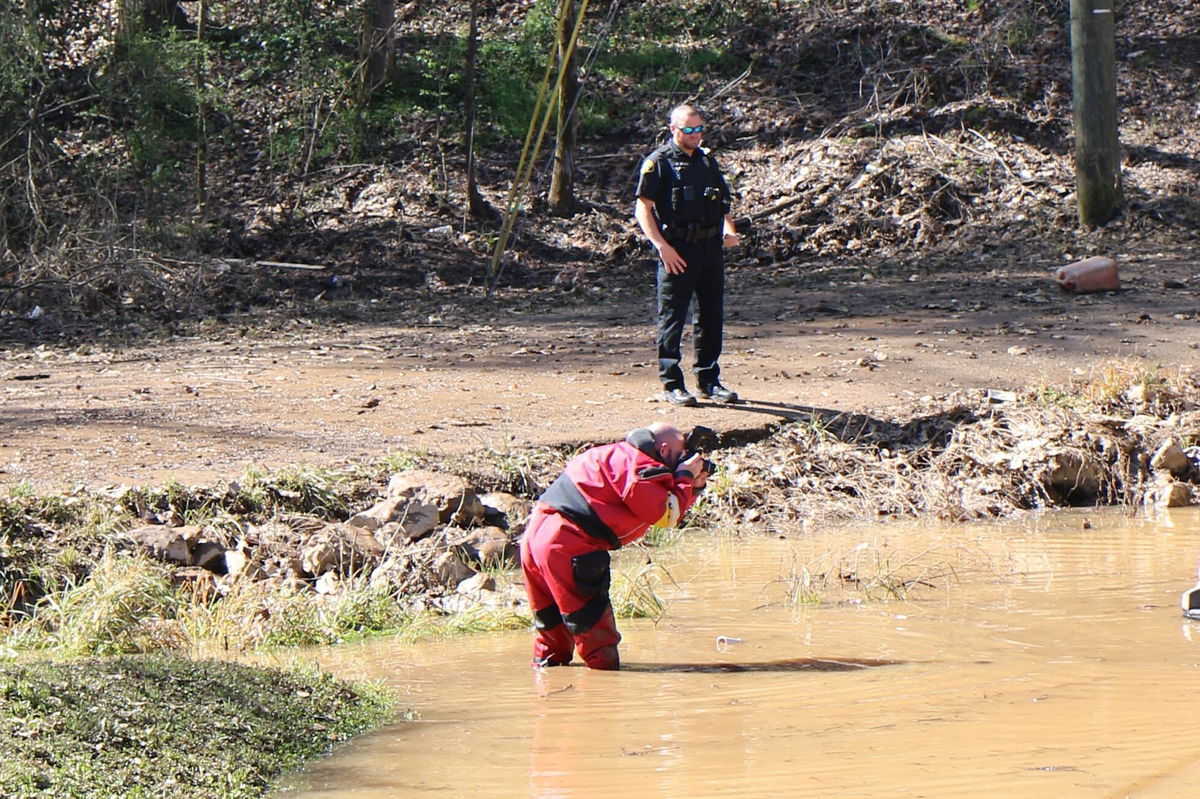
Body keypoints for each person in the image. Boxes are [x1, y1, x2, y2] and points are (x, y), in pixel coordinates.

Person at [519, 422, 709, 670]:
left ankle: (546, 691)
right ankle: (602, 697)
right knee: (596, 635)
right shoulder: (641, 466)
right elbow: (666, 514)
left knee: (550, 633)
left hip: (534, 538)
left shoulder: (610, 454)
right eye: (682, 452)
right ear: (663, 449)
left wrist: (691, 486)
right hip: (568, 544)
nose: (686, 458)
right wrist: (685, 477)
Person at [635, 103, 742, 407]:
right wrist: (661, 246)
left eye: (699, 129)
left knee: (711, 316)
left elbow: (722, 203)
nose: (695, 135)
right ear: (673, 129)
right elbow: (643, 208)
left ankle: (709, 380)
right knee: (673, 317)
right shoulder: (659, 162)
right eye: (688, 129)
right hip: (677, 250)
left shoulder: (707, 161)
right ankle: (672, 383)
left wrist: (728, 230)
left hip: (709, 249)